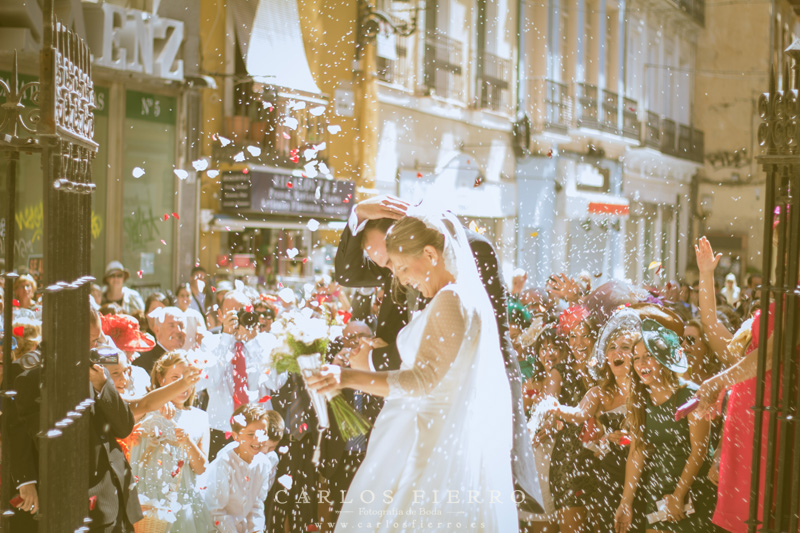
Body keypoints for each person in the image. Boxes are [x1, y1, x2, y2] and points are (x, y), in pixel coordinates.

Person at [333, 195, 543, 515]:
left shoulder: (471, 255)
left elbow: (484, 340)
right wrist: (358, 214)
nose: (397, 277)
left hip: (461, 398)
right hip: (412, 402)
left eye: (395, 265)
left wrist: (369, 365)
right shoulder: (404, 262)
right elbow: (347, 275)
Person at [9, 308, 144, 531]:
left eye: (97, 339)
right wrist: (27, 481)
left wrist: (104, 387)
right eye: (91, 339)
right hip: (71, 498)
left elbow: (123, 427)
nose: (94, 346)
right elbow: (18, 432)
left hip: (114, 492)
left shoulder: (98, 369)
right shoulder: (30, 376)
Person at [614, 319, 719, 533]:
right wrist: (626, 502)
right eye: (636, 359)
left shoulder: (690, 394)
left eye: (649, 356)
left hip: (694, 491)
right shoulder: (640, 400)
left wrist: (679, 495)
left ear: (663, 359)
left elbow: (699, 451)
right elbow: (637, 452)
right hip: (659, 491)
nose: (641, 364)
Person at [196, 290, 285, 461]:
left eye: (243, 312)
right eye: (233, 313)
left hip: (259, 430)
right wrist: (227, 339)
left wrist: (252, 342)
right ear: (221, 315)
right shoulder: (211, 343)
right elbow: (209, 380)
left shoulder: (266, 342)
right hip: (221, 429)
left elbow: (275, 383)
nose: (239, 318)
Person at [129, 351, 212, 531]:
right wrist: (157, 403)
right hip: (146, 500)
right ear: (160, 378)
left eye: (186, 379)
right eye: (175, 377)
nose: (182, 385)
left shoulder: (200, 417)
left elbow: (201, 467)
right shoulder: (145, 408)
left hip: (181, 504)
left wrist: (187, 441)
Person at [205, 404, 284, 533]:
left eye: (262, 433)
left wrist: (256, 530)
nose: (258, 440)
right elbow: (215, 511)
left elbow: (257, 504)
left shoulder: (264, 463)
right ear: (236, 436)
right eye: (251, 434)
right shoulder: (225, 463)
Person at [102, 313, 155, 396]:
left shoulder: (140, 373)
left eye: (132, 348)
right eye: (125, 349)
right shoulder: (102, 374)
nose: (131, 352)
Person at [134, 306, 186, 374]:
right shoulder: (143, 364)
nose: (178, 330)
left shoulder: (189, 360)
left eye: (181, 325)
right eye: (171, 326)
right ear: (157, 330)